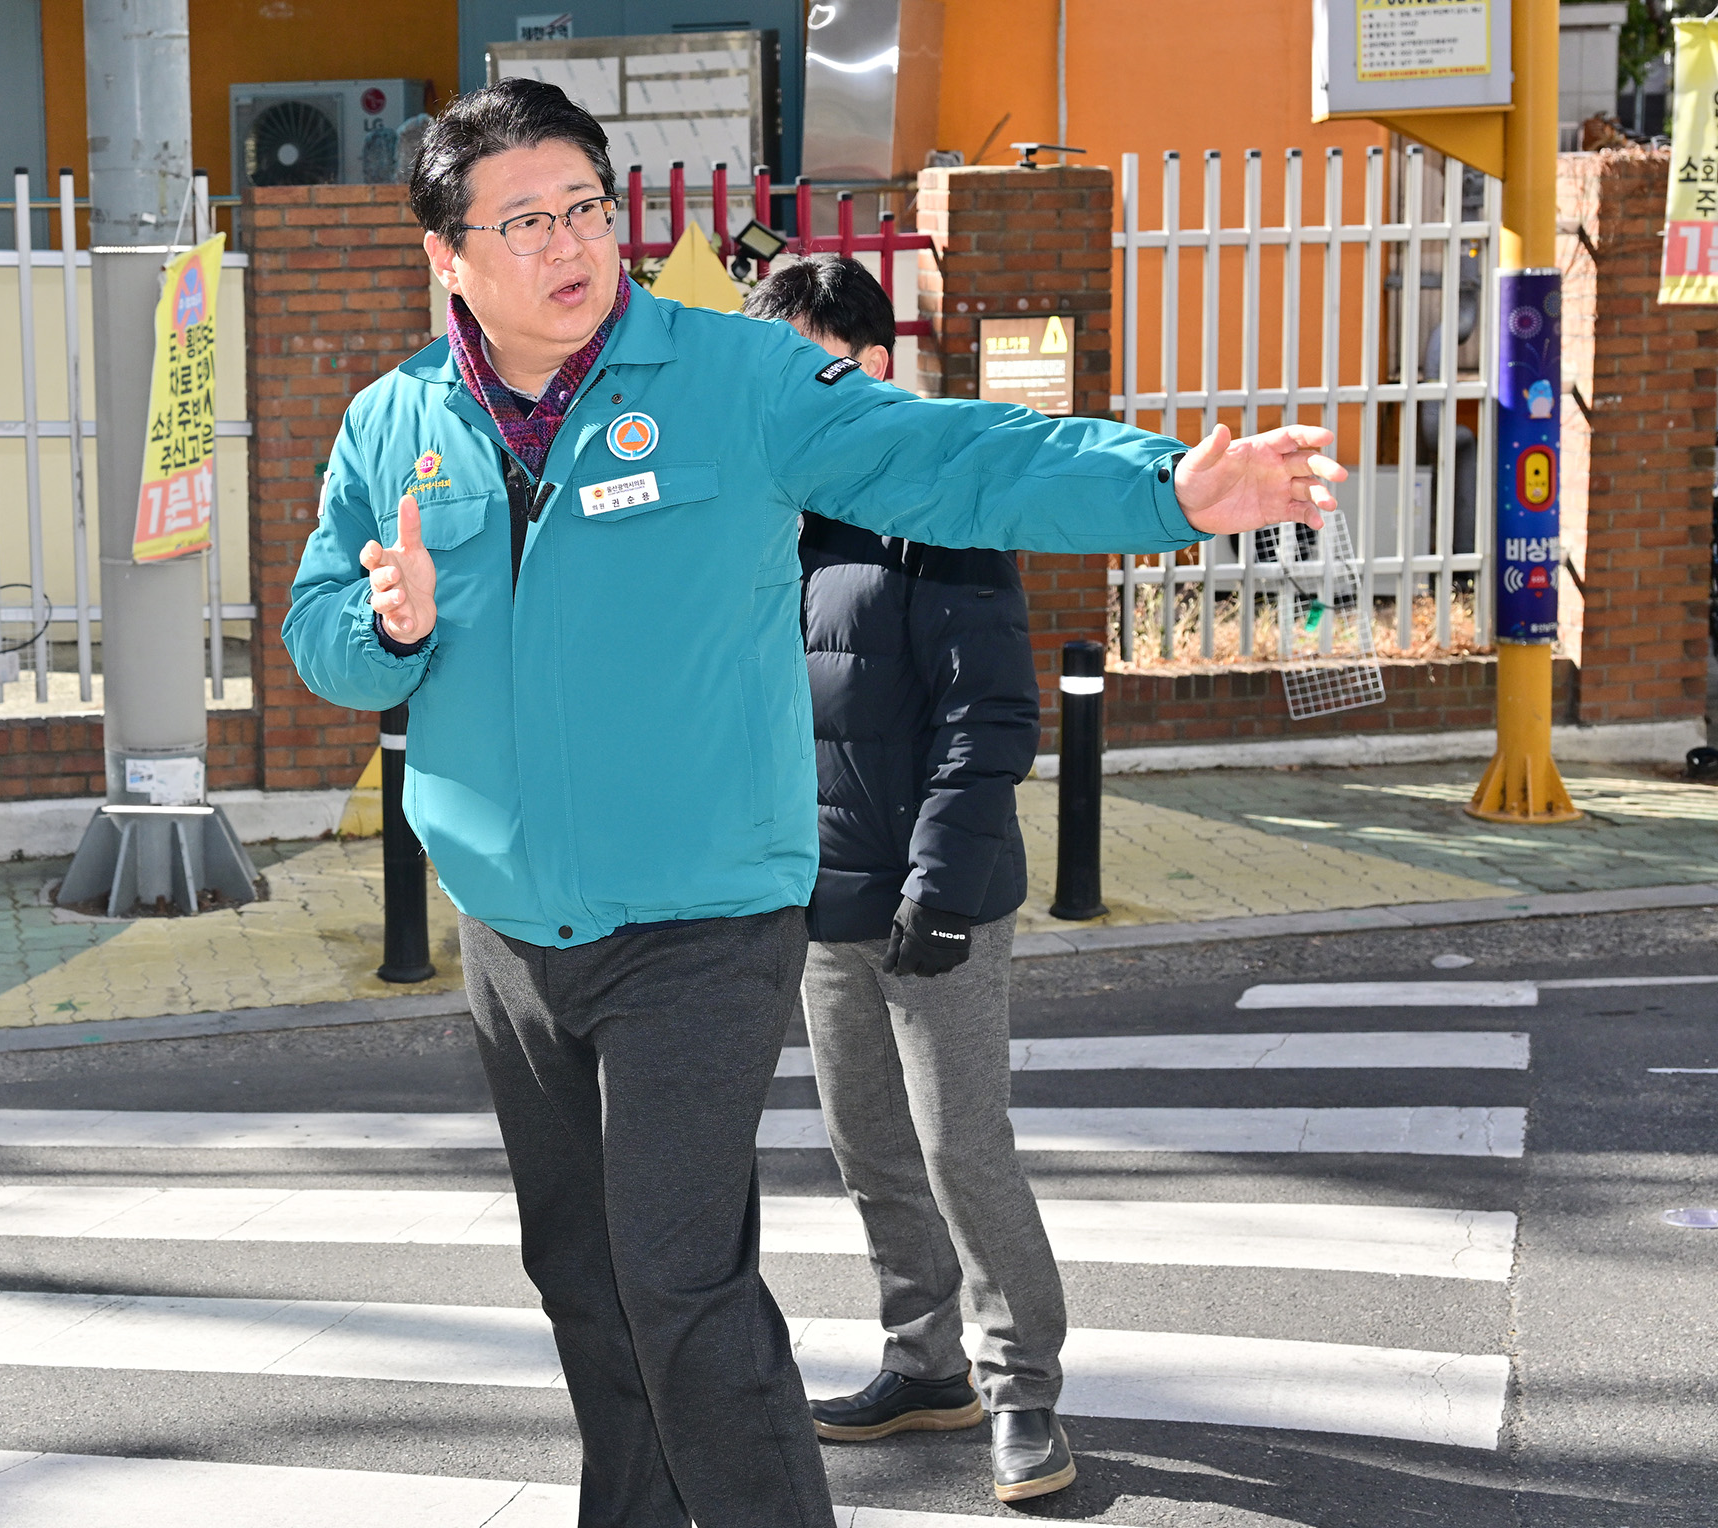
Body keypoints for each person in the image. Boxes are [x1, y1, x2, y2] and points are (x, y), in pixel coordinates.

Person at [282, 79, 1341, 1528]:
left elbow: (956, 455)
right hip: (509, 927)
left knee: (675, 1272)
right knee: (581, 1276)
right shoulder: (391, 423)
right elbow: (319, 632)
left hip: (704, 913)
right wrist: (385, 630)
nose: (569, 244)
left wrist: (1166, 486)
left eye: (587, 206)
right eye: (523, 221)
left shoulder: (731, 381)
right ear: (448, 257)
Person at [745, 254, 1077, 1505]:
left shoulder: (937, 502)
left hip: (939, 895)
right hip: (823, 896)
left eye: (816, 361)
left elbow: (988, 713)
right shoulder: (778, 515)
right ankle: (924, 1360)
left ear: (873, 364)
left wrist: (937, 882)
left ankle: (1023, 1389)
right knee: (871, 1148)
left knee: (960, 1149)